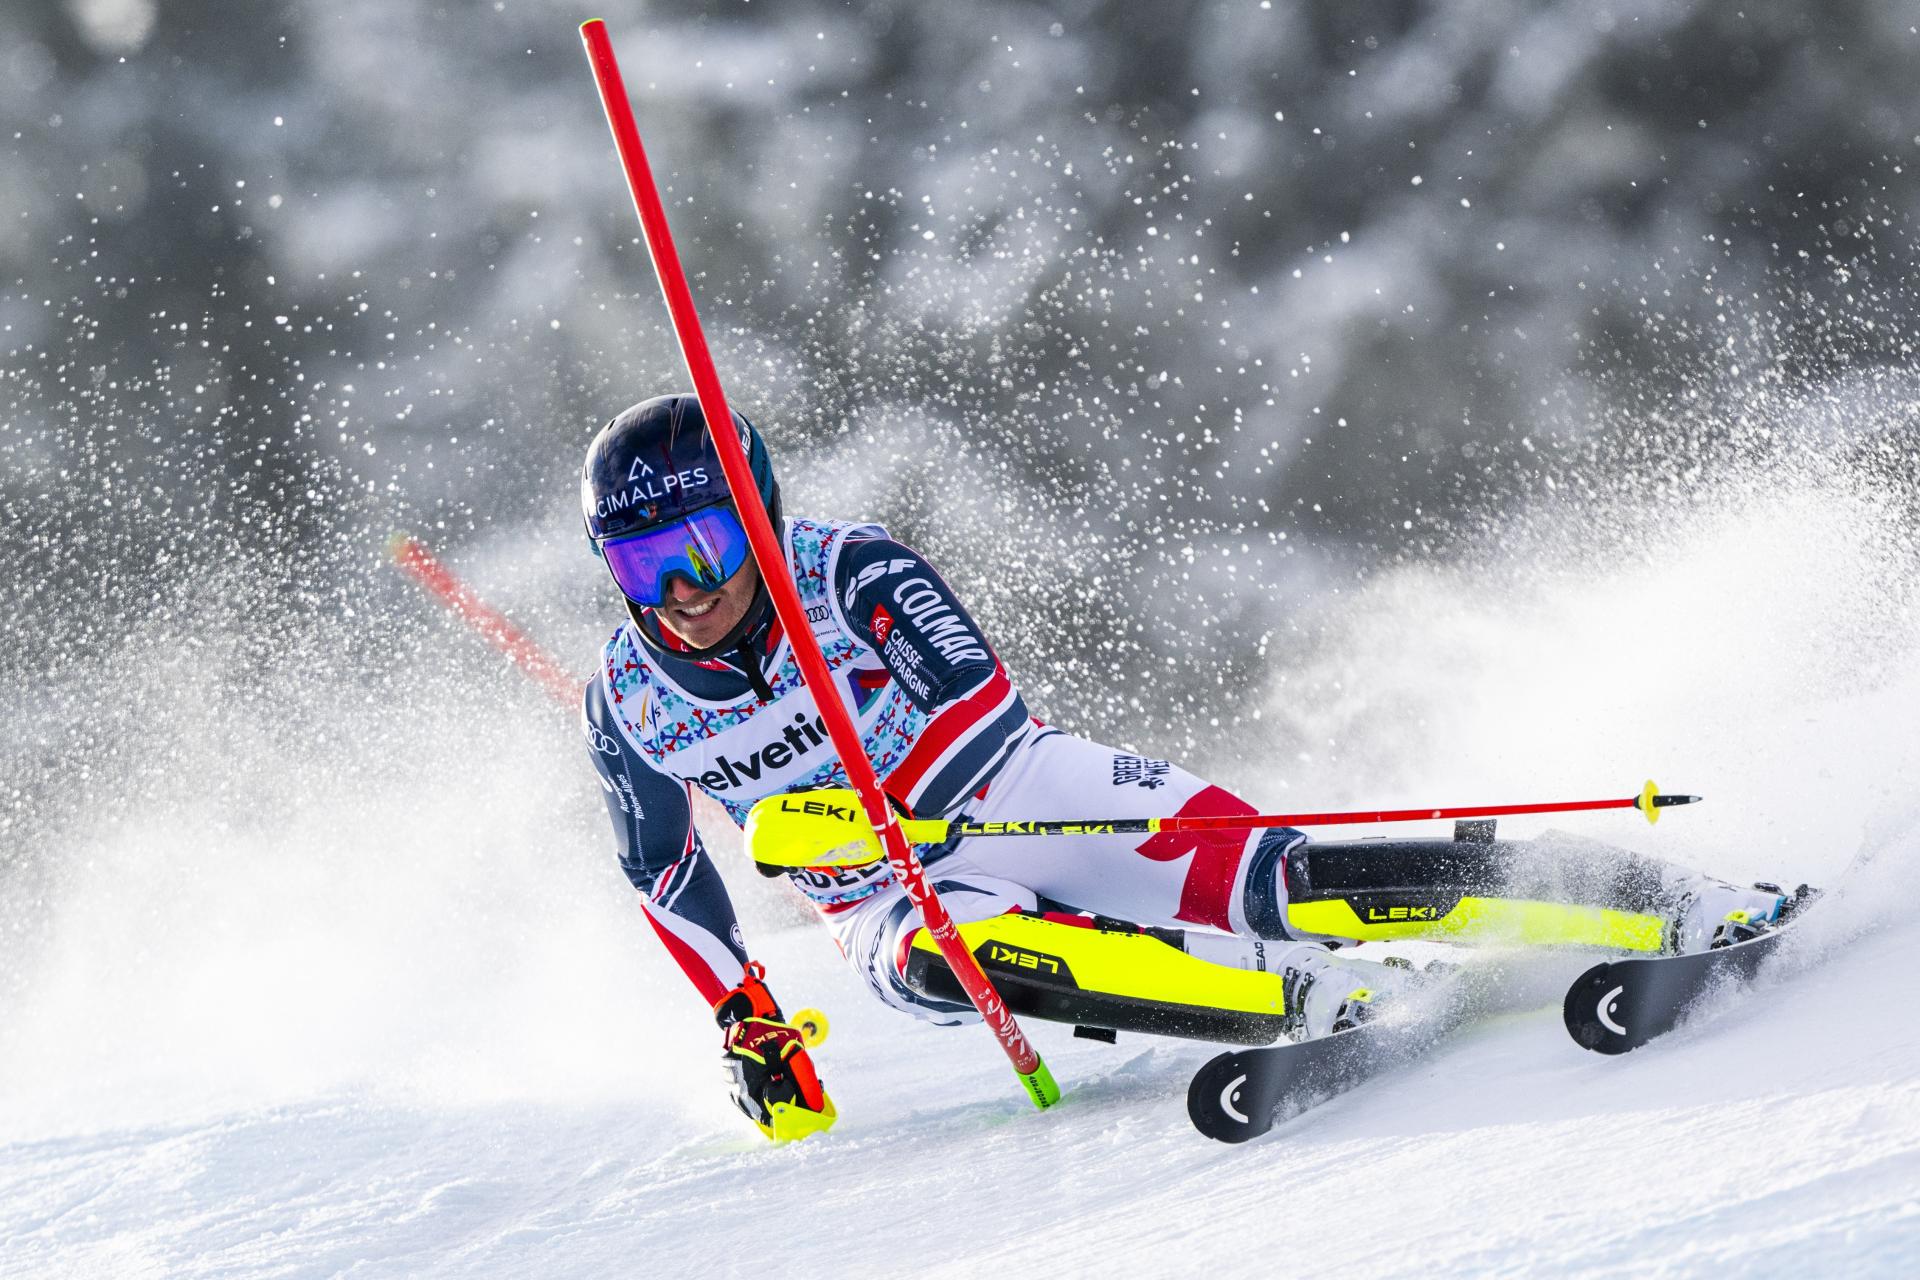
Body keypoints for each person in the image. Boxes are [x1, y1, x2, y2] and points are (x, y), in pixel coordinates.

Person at [579, 393, 1798, 1141]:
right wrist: (747, 1017)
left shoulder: (848, 570)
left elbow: (977, 700)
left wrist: (871, 802)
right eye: (643, 567)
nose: (683, 592)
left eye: (705, 547)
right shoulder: (628, 699)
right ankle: (1292, 998)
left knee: (1282, 880)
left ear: (759, 513)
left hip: (1015, 795)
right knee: (951, 958)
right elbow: (662, 866)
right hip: (887, 898)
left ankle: (1655, 896)